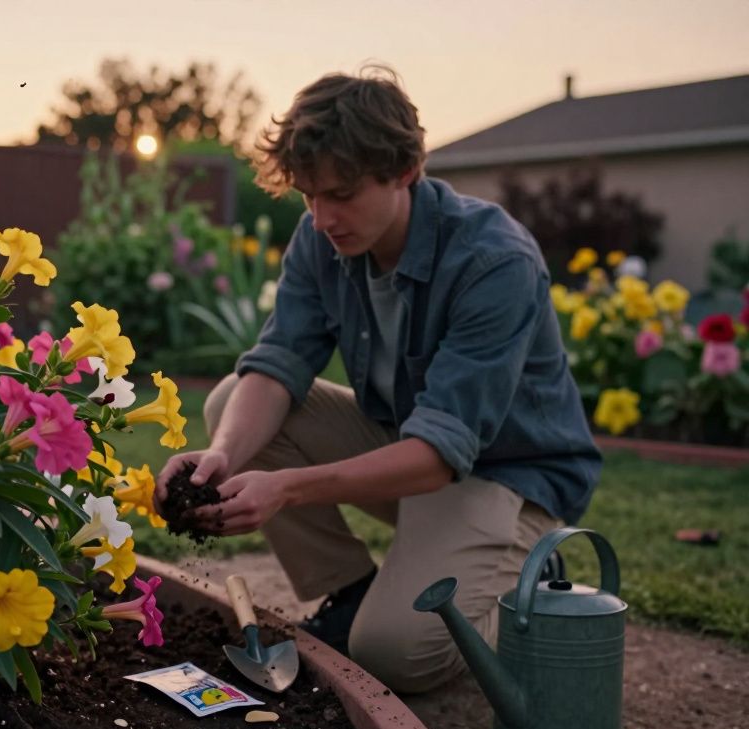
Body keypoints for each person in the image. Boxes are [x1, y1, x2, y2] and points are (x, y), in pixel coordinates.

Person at [152, 65, 601, 694]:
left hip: (506, 476)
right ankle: (351, 590)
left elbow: (443, 453)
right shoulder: (321, 238)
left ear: (405, 170)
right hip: (413, 452)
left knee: (396, 655)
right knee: (236, 402)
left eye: (341, 193)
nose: (323, 215)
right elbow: (279, 361)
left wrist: (286, 488)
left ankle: (520, 576)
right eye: (309, 195)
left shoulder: (494, 261)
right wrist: (221, 459)